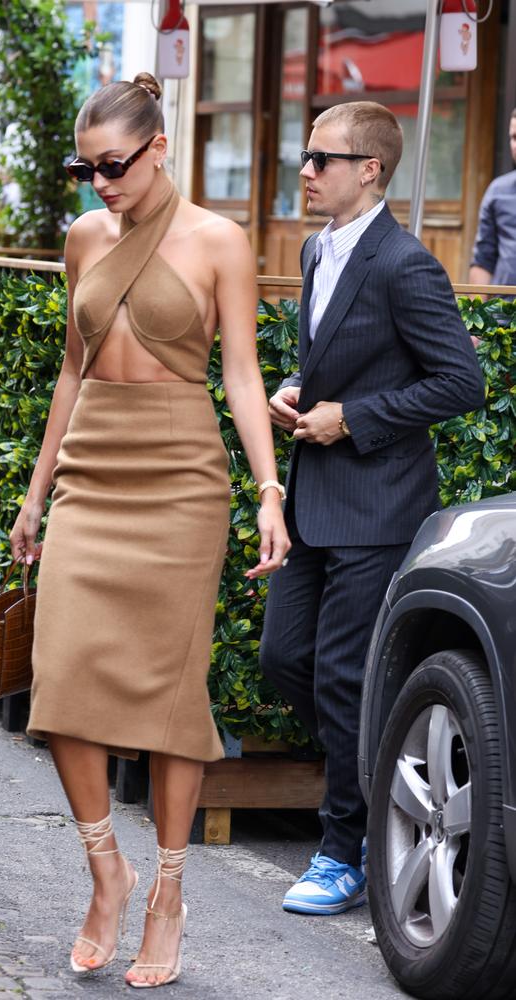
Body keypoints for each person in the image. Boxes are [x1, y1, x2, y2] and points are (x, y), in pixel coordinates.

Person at [9, 72, 290, 988]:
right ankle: (107, 872)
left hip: (181, 481)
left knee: (174, 699)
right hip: (94, 471)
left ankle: (167, 896)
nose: (102, 185)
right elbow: (69, 371)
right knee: (60, 681)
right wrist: (37, 488)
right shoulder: (85, 237)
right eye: (87, 169)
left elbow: (243, 376)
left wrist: (266, 490)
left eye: (116, 166)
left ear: (160, 148)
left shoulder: (220, 241)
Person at [259, 100, 485, 917]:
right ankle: (380, 782)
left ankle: (343, 849)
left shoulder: (405, 263)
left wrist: (352, 419)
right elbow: (324, 360)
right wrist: (297, 389)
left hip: (379, 506)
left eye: (322, 158)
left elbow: (463, 382)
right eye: (306, 156)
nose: (307, 171)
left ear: (371, 171)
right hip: (316, 500)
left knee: (347, 679)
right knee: (286, 661)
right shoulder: (318, 249)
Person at [469, 107, 516, 289]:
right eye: (514, 137)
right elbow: (483, 260)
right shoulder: (498, 191)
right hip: (504, 312)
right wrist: (475, 313)